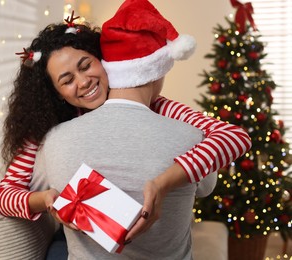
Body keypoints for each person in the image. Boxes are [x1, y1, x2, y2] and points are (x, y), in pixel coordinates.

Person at [30, 0, 238, 258]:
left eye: (85, 66)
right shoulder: (193, 137)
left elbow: (22, 192)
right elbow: (207, 188)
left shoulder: (53, 140)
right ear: (157, 69)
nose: (83, 82)